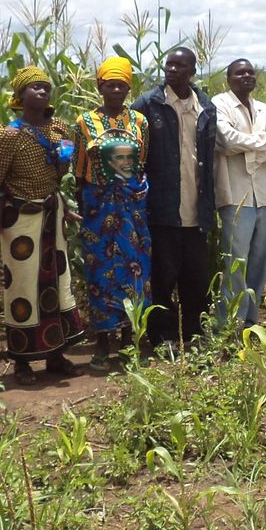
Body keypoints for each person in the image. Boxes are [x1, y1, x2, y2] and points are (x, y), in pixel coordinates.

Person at [0, 66, 85, 383]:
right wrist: (1, 211)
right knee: (23, 287)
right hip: (21, 219)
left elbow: (60, 177)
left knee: (55, 281)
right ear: (20, 95)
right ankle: (22, 361)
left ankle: (55, 355)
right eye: (34, 87)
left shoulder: (60, 129)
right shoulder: (9, 135)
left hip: (51, 216)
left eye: (46, 87)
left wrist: (61, 164)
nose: (41, 92)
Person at [131, 46, 217, 346]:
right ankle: (163, 336)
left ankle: (194, 334)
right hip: (162, 208)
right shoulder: (148, 104)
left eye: (180, 66)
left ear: (192, 71)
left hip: (196, 207)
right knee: (163, 276)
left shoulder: (205, 106)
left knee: (195, 277)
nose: (172, 70)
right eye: (169, 64)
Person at [72, 56, 152, 371]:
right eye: (110, 84)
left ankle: (133, 339)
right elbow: (79, 169)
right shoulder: (85, 122)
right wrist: (88, 205)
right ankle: (104, 340)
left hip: (132, 208)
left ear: (128, 87)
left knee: (136, 272)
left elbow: (142, 162)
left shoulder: (139, 122)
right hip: (98, 206)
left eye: (121, 84)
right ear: (100, 85)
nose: (115, 89)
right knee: (100, 273)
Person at [213, 58, 266, 327]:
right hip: (236, 195)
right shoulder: (219, 104)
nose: (246, 76)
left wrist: (250, 148)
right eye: (239, 72)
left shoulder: (262, 108)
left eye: (250, 72)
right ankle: (230, 322)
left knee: (260, 260)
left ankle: (252, 321)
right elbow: (227, 141)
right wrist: (260, 144)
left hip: (264, 194)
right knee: (236, 262)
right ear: (228, 78)